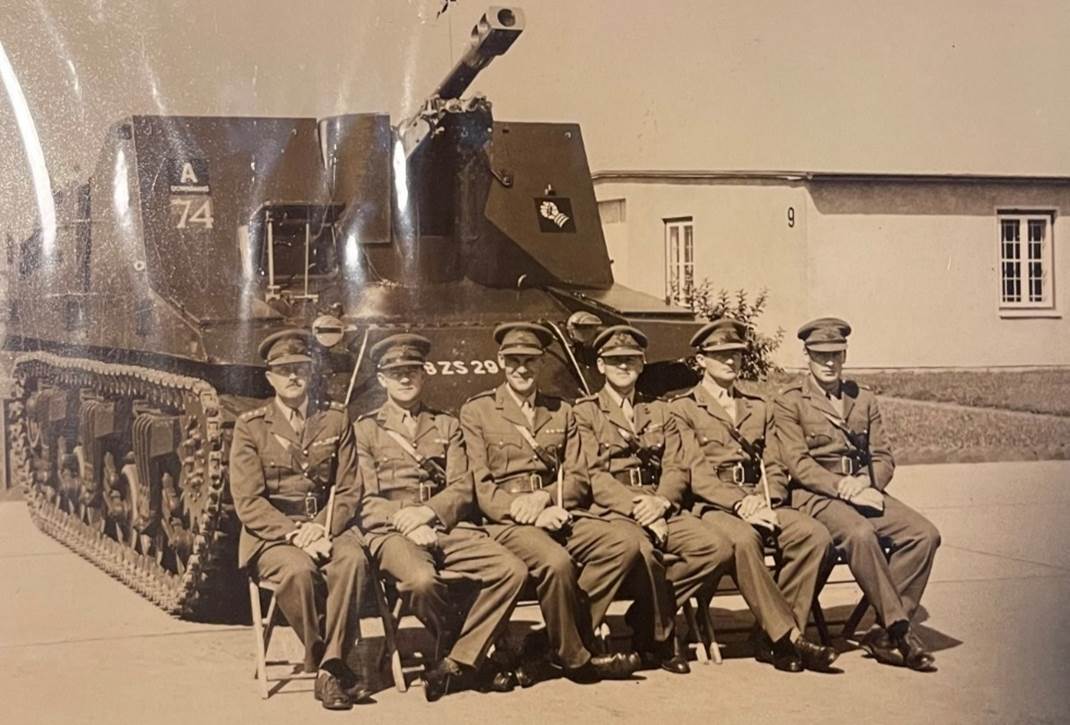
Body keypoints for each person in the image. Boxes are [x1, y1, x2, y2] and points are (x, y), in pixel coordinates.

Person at [459, 321, 640, 684]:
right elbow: (480, 483)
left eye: (530, 361)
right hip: (508, 521)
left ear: (541, 364)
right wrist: (523, 510)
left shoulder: (561, 410)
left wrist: (547, 498)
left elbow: (578, 476)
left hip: (556, 510)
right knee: (556, 562)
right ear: (500, 362)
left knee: (623, 544)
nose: (522, 369)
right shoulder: (478, 412)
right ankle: (574, 659)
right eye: (514, 361)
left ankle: (550, 640)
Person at [353, 332, 528, 702]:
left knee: (511, 570)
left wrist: (429, 514)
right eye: (396, 372)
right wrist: (408, 518)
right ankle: (464, 649)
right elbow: (366, 501)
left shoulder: (446, 425)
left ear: (423, 375)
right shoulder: (366, 430)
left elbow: (463, 487)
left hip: (446, 524)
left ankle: (458, 662)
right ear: (382, 378)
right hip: (393, 531)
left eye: (412, 371)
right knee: (420, 581)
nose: (405, 378)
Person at [670, 318, 838, 673]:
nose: (730, 362)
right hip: (713, 507)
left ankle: (767, 634)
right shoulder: (683, 408)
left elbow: (775, 462)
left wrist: (769, 499)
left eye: (736, 354)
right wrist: (740, 503)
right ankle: (789, 639)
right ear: (701, 360)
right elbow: (696, 474)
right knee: (744, 540)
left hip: (760, 500)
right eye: (720, 355)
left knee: (815, 535)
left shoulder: (758, 406)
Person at [774, 317, 940, 672]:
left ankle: (880, 631)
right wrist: (841, 487)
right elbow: (799, 465)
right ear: (807, 357)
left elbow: (884, 458)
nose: (829, 362)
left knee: (924, 535)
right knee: (860, 534)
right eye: (820, 355)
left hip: (861, 490)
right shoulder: (791, 402)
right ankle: (900, 630)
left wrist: (865, 482)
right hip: (816, 495)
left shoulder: (862, 399)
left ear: (845, 354)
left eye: (836, 354)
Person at [229, 329, 371, 710]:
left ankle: (327, 670)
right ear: (270, 377)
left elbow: (347, 489)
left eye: (300, 369)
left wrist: (320, 526)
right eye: (284, 370)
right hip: (273, 536)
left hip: (327, 525)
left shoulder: (335, 420)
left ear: (311, 374)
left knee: (354, 560)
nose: (293, 376)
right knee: (299, 573)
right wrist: (296, 534)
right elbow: (248, 502)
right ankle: (334, 664)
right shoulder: (251, 426)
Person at [573, 324, 725, 675]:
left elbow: (676, 466)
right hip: (615, 509)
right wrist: (636, 508)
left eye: (630, 360)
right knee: (643, 551)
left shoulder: (661, 411)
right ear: (600, 366)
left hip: (659, 504)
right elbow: (593, 475)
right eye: (614, 361)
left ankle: (646, 614)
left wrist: (661, 502)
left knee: (715, 548)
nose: (623, 367)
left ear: (642, 365)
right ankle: (657, 639)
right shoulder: (585, 413)